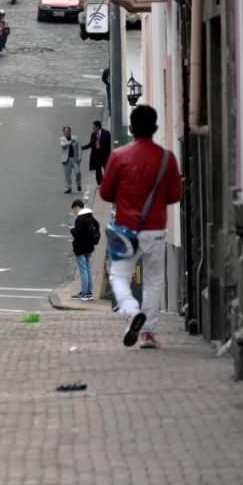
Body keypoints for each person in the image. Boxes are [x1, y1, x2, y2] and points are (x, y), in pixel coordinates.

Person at [100, 105, 182, 349]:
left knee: (118, 275)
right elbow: (175, 195)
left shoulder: (119, 156)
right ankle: (148, 333)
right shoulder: (167, 158)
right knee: (154, 280)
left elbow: (105, 193)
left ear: (132, 128)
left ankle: (130, 310)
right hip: (156, 229)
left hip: (127, 230)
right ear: (155, 128)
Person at [70, 199, 99, 301]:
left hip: (81, 247)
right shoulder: (90, 217)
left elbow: (78, 234)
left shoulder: (80, 219)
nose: (74, 212)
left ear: (77, 206)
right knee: (88, 269)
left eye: (74, 209)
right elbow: (97, 226)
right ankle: (89, 292)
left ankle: (85, 293)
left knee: (83, 270)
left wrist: (72, 229)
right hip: (89, 247)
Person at [81, 120, 112, 185]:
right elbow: (91, 144)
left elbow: (110, 144)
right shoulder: (93, 134)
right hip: (96, 156)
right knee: (98, 171)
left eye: (94, 126)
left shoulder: (106, 133)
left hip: (105, 156)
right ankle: (100, 184)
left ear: (98, 127)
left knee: (107, 170)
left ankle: (108, 183)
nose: (93, 128)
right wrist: (81, 148)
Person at [60, 125, 82, 193]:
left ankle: (78, 184)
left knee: (78, 172)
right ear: (63, 132)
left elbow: (79, 148)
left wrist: (80, 157)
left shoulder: (75, 138)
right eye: (65, 131)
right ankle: (68, 187)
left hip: (75, 158)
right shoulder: (62, 139)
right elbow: (63, 145)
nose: (67, 133)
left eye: (68, 131)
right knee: (67, 174)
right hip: (66, 159)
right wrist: (70, 142)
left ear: (70, 131)